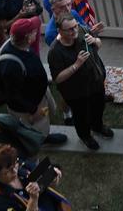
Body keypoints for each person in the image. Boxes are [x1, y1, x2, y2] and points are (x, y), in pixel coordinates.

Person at [46, 16, 112, 150]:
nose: (74, 31)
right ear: (59, 31)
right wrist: (77, 64)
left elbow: (98, 45)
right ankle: (85, 136)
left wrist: (95, 40)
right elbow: (58, 78)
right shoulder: (55, 51)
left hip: (95, 83)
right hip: (76, 92)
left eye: (75, 26)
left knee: (98, 108)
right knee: (81, 116)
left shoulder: (82, 30)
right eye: (69, 29)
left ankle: (98, 127)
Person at [0, 143, 72, 211]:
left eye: (15, 164)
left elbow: (47, 179)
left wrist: (53, 176)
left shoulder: (22, 166)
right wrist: (33, 199)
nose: (15, 171)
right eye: (8, 171)